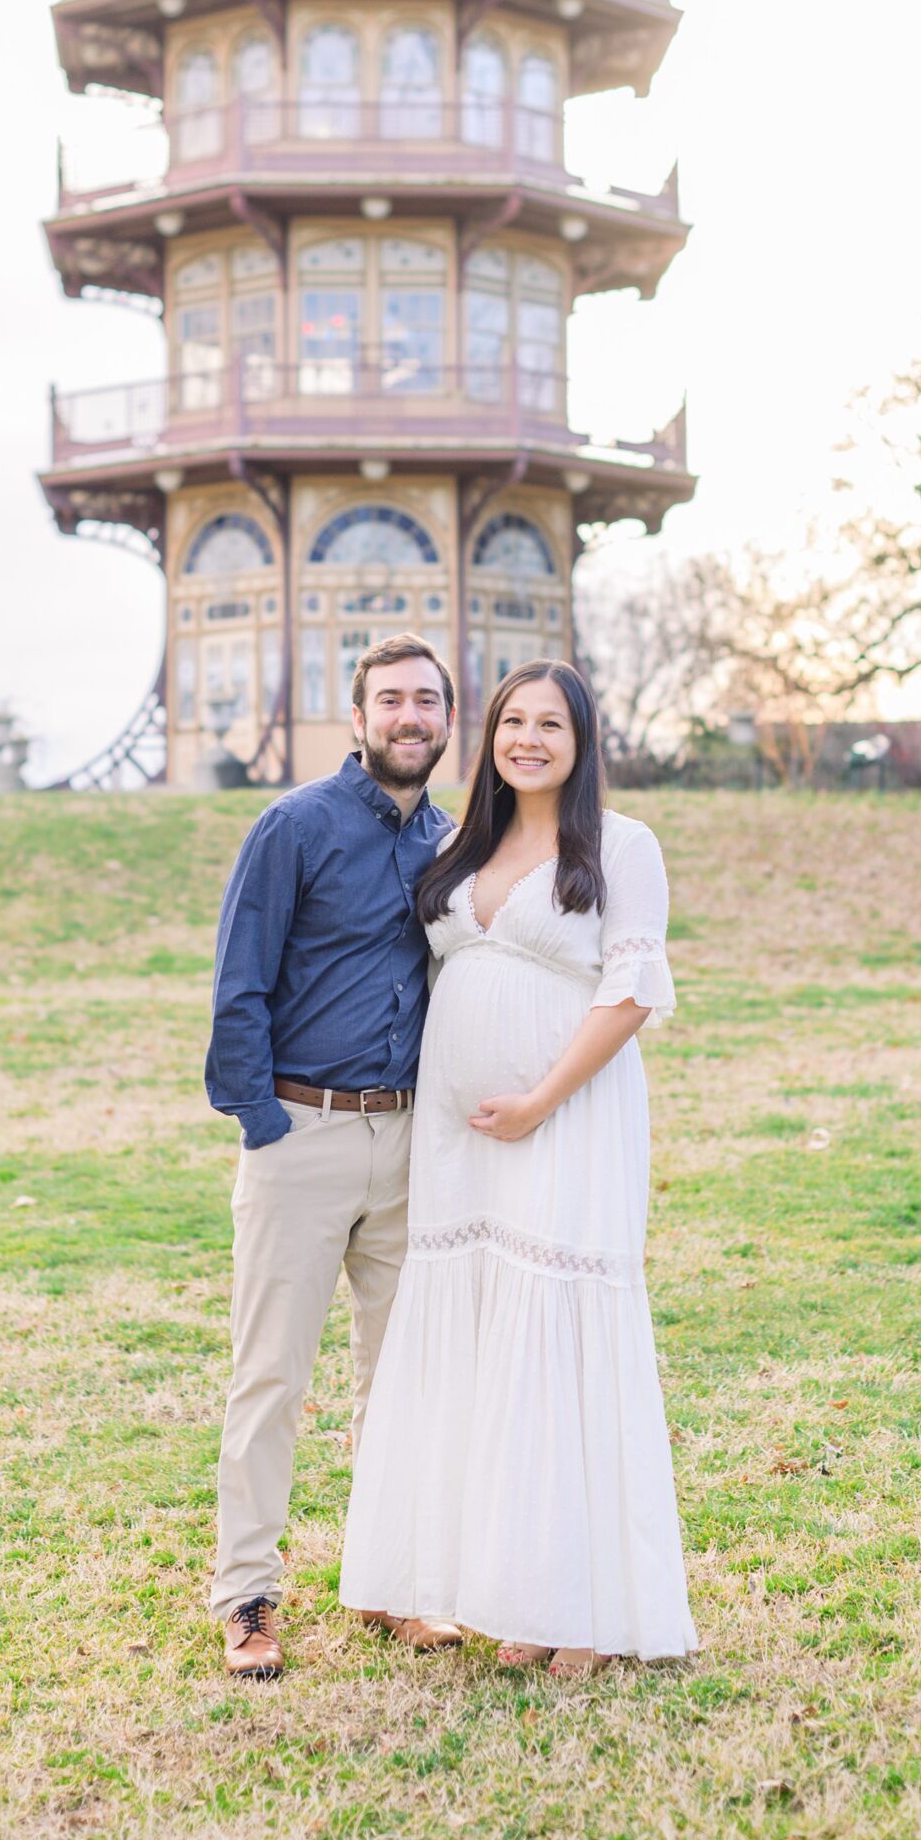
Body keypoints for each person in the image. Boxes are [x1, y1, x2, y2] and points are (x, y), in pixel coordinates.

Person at [339, 660, 697, 1674]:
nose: (527, 738)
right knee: (487, 1344)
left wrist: (539, 1097)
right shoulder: (467, 845)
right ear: (487, 734)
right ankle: (511, 1597)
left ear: (581, 742)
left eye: (550, 723)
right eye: (510, 721)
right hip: (459, 1147)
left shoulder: (621, 847)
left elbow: (630, 994)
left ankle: (581, 1611)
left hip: (564, 1123)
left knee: (555, 1341)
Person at [204, 632, 465, 1679]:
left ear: (448, 720)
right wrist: (262, 1122)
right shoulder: (293, 827)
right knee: (269, 1375)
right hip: (299, 1132)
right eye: (389, 700)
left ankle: (389, 1582)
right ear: (356, 719)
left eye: (427, 701)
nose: (409, 717)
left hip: (409, 1145)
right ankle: (247, 1597)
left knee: (397, 1381)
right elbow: (239, 982)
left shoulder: (454, 843)